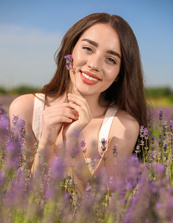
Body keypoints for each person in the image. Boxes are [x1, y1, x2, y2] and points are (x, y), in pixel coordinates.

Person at [9, 13, 148, 193]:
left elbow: (99, 211)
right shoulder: (25, 109)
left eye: (111, 59)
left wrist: (73, 141)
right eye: (88, 49)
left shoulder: (122, 127)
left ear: (119, 75)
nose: (94, 64)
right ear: (70, 49)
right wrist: (45, 143)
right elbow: (22, 200)